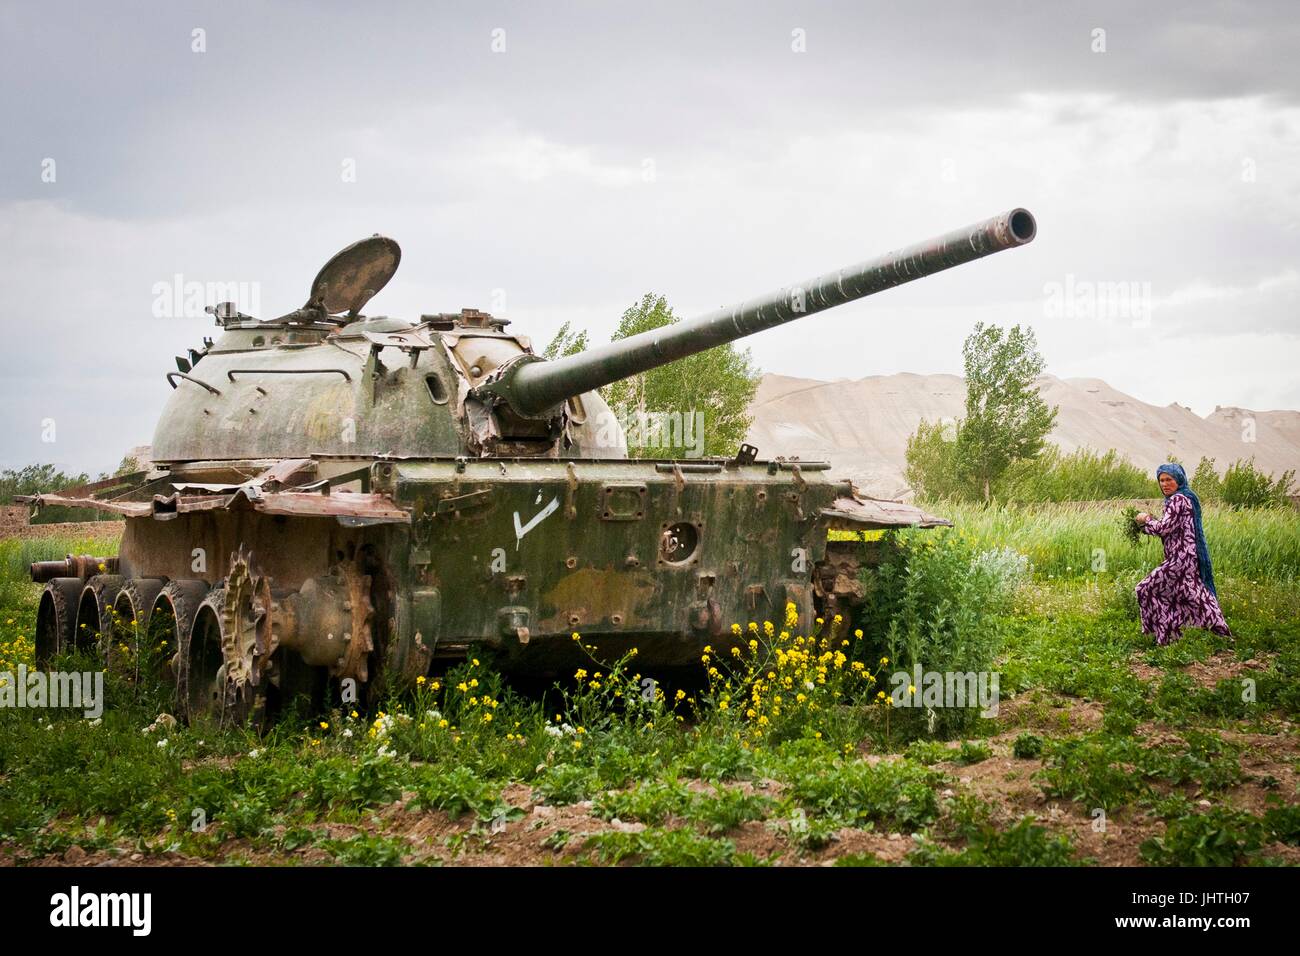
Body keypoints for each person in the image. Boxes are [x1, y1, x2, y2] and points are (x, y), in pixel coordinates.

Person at [1133, 462, 1230, 646]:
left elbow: (1164, 527)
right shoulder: (1181, 499)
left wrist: (1146, 520)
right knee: (1194, 594)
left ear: (1179, 480)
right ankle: (1220, 632)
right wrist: (1148, 527)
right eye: (1161, 480)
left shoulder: (1178, 500)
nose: (1164, 484)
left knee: (1145, 589)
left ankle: (1165, 635)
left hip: (1181, 559)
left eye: (1169, 479)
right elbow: (1170, 528)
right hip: (1186, 558)